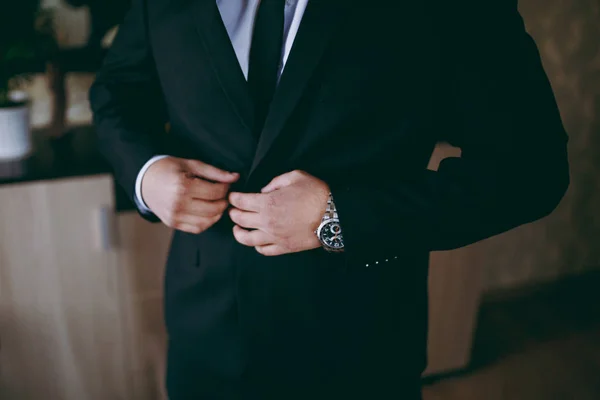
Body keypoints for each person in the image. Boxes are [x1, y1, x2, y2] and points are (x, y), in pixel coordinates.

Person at [89, 0, 570, 398]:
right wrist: (146, 176)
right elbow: (117, 91)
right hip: (204, 331)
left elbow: (530, 169)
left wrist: (341, 217)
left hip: (357, 340)